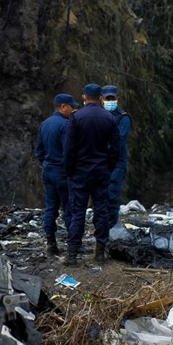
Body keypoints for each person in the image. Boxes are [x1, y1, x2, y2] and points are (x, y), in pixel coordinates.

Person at [63, 84, 120, 265]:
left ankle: (72, 255)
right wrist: (108, 166)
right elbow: (116, 148)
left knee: (78, 211)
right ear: (100, 97)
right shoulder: (109, 118)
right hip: (101, 170)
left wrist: (69, 169)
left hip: (80, 171)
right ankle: (100, 253)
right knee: (101, 210)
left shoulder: (76, 117)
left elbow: (69, 148)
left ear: (84, 97)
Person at [35, 93, 79, 256]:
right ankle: (71, 246)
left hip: (48, 172)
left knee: (51, 207)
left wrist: (46, 164)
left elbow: (38, 151)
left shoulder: (44, 124)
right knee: (69, 208)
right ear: (63, 107)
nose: (74, 110)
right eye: (72, 107)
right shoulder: (65, 126)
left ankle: (50, 243)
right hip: (63, 173)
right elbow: (69, 152)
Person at [101, 85, 132, 229]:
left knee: (112, 195)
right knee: (100, 195)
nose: (109, 101)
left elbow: (119, 140)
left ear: (117, 98)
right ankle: (101, 227)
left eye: (112, 98)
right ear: (101, 99)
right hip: (100, 161)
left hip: (116, 161)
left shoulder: (123, 118)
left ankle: (110, 228)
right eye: (107, 98)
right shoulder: (98, 116)